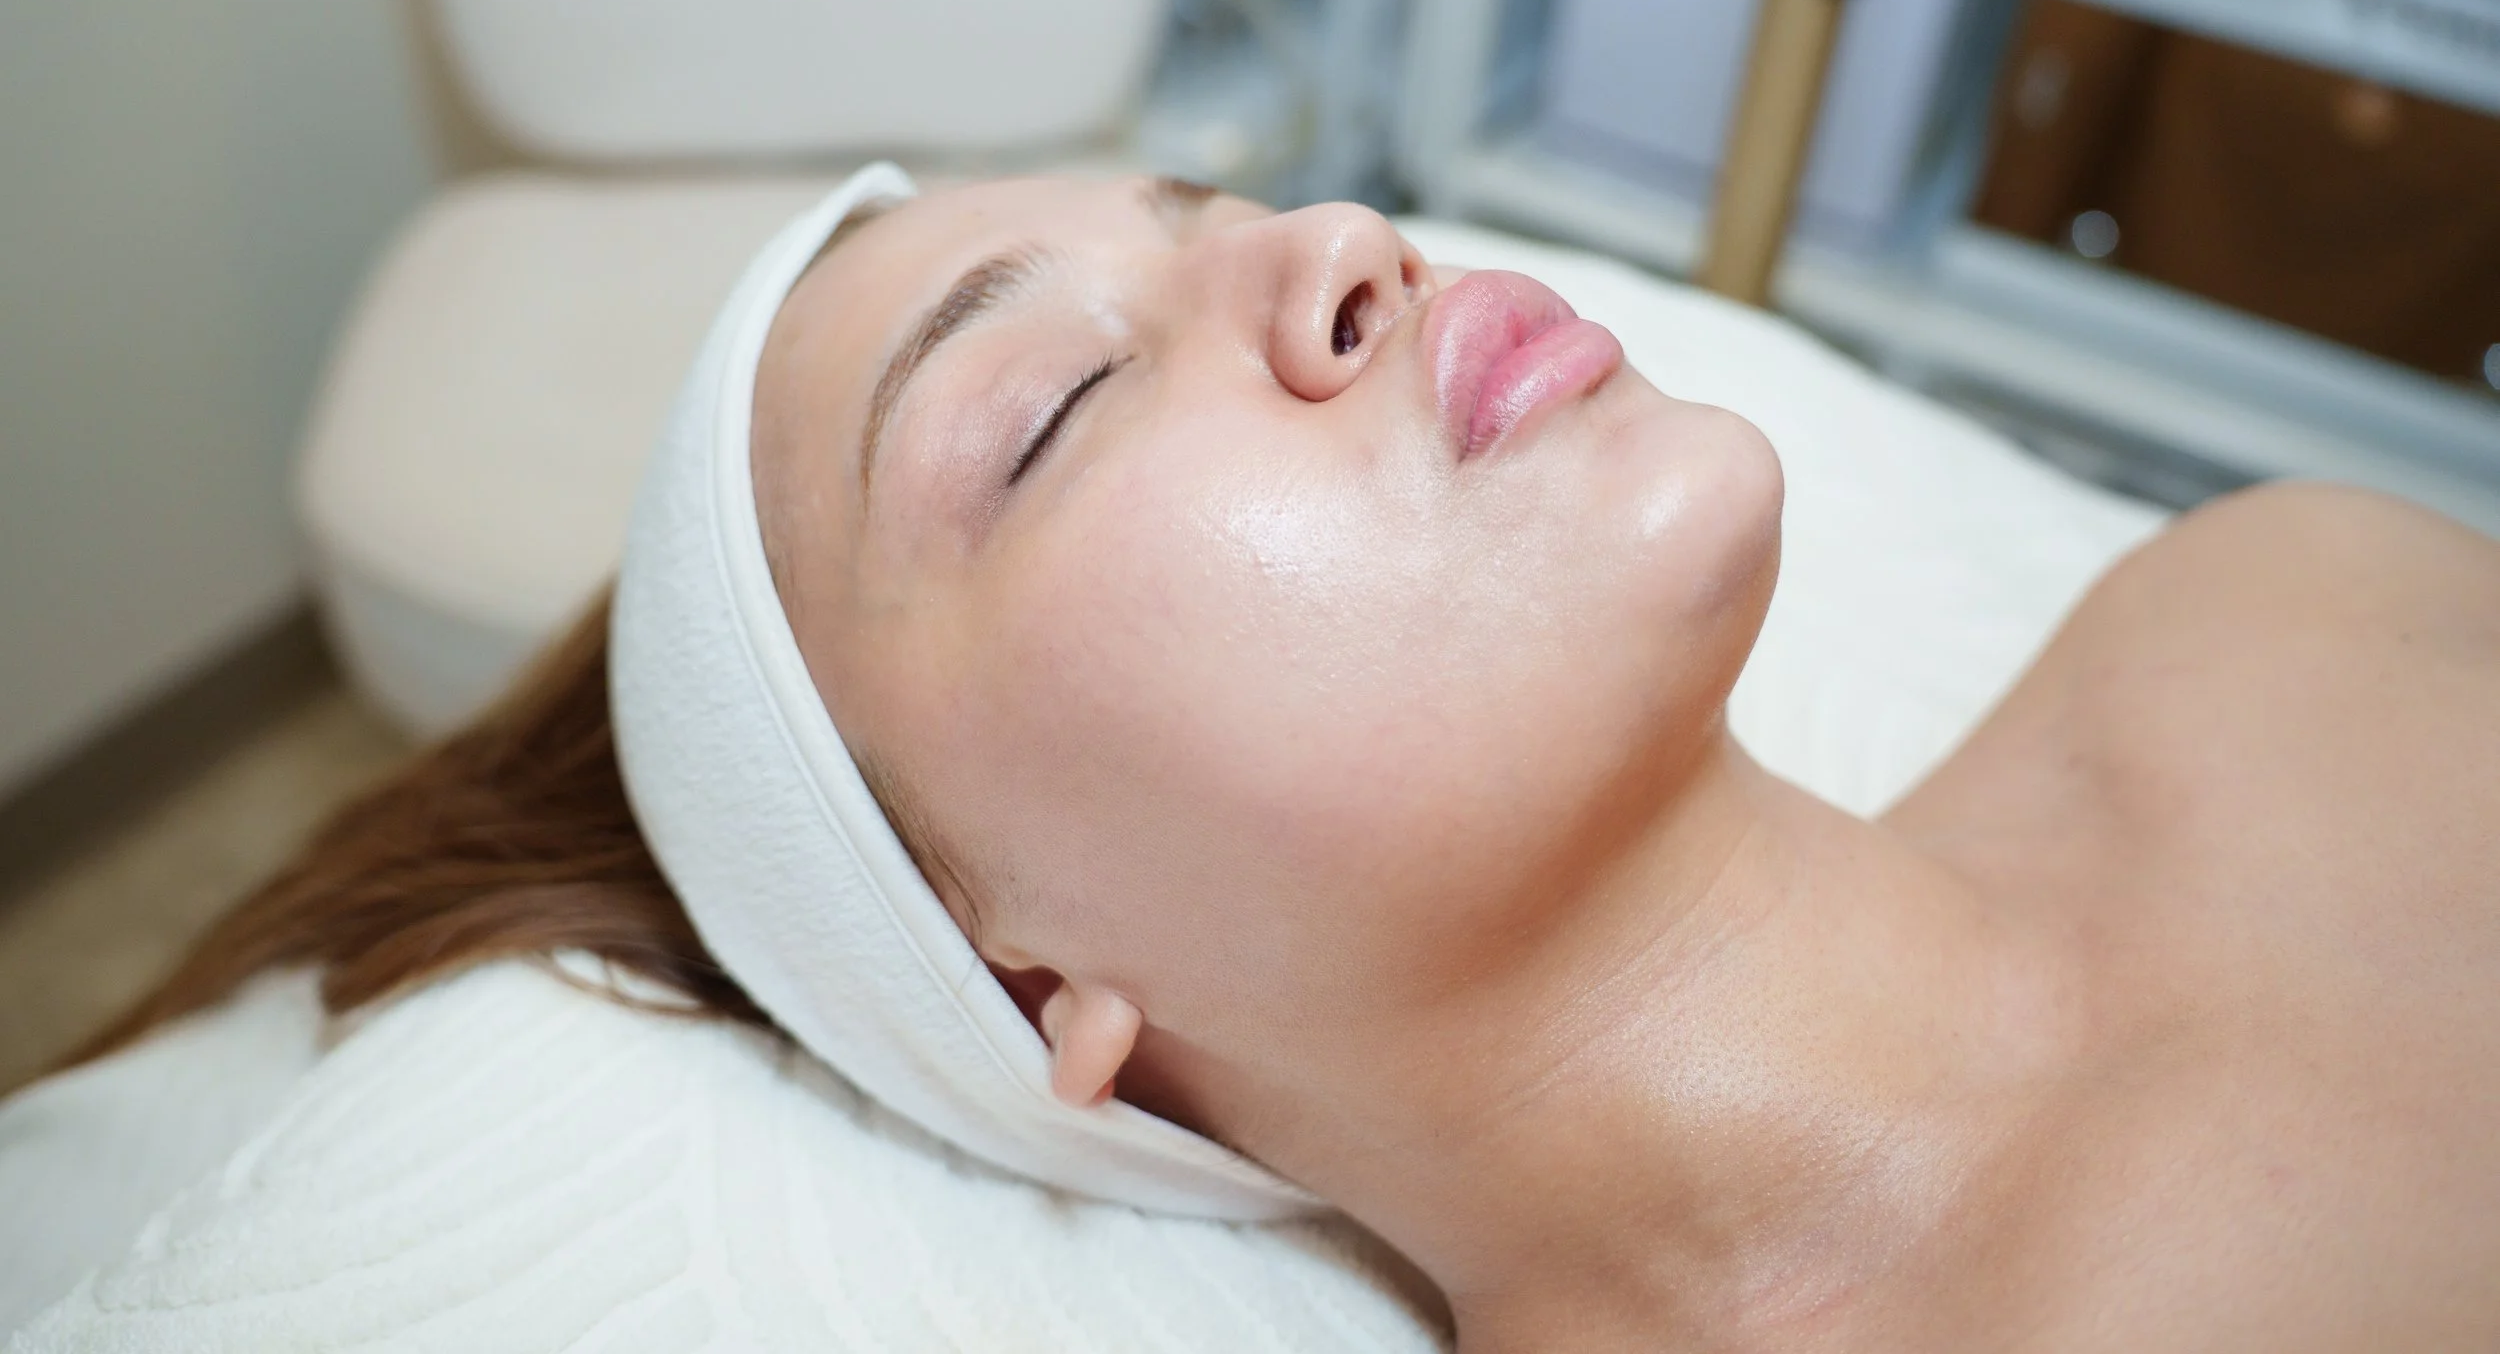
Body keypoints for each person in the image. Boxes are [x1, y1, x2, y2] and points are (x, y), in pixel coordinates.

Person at [61, 175, 2500, 1351]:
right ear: (1032, 987)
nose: (1344, 238)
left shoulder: (2280, 605)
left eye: (1219, 207)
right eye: (1055, 407)